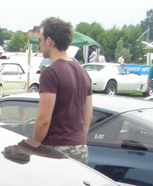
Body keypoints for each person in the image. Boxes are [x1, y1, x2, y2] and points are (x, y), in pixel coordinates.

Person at [8, 17, 93, 164]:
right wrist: (78, 140)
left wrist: (32, 146)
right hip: (80, 147)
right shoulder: (83, 72)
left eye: (40, 40)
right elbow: (88, 115)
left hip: (56, 147)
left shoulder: (51, 72)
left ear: (49, 41)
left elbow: (44, 120)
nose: (40, 44)